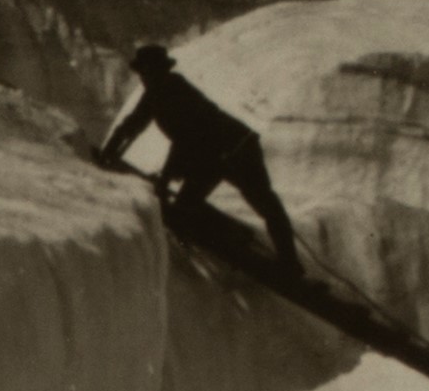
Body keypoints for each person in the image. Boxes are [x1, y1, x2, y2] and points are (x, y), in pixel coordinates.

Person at [95, 43, 302, 270]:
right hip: (212, 156)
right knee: (185, 207)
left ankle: (289, 263)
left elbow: (186, 139)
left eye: (146, 72)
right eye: (142, 73)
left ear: (157, 71)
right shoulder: (155, 94)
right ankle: (234, 239)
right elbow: (132, 125)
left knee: (265, 204)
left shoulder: (175, 91)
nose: (143, 77)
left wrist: (165, 178)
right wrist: (109, 151)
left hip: (238, 149)